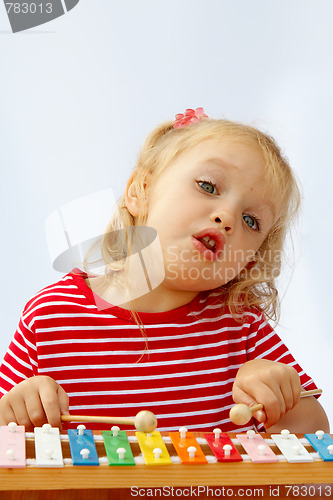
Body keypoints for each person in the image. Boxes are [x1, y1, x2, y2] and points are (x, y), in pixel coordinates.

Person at [0, 108, 329, 434]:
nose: (227, 216)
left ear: (249, 262)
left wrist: (280, 400)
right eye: (208, 186)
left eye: (250, 220)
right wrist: (14, 411)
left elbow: (314, 441)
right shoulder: (49, 317)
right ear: (139, 191)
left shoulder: (241, 326)